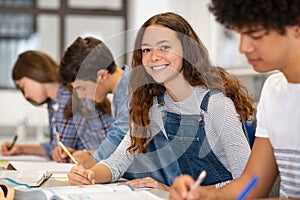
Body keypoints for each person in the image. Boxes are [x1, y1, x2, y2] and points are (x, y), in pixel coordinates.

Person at [67, 12, 254, 191]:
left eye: (164, 47)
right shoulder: (157, 107)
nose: (154, 57)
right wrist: (88, 174)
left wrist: (173, 191)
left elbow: (248, 182)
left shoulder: (215, 104)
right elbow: (117, 162)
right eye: (147, 50)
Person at [169, 0, 300, 199]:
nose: (243, 47)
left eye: (255, 35)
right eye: (240, 34)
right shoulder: (274, 91)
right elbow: (252, 182)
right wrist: (203, 195)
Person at [1, 50, 113, 159]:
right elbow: (56, 147)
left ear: (34, 73)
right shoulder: (55, 101)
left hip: (106, 163)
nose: (26, 95)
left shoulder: (69, 97)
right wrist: (19, 149)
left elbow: (60, 151)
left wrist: (23, 149)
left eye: (22, 86)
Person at [55, 37, 130, 168]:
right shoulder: (121, 91)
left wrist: (88, 159)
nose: (80, 95)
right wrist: (86, 154)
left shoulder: (132, 92)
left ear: (103, 75)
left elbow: (121, 143)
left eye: (82, 88)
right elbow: (122, 147)